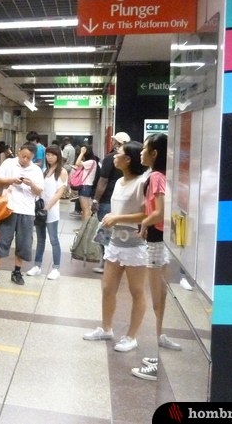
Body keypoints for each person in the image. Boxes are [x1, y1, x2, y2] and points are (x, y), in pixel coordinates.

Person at [82, 141, 148, 353]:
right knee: (108, 287)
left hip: (135, 243)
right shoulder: (119, 181)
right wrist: (112, 218)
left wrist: (117, 218)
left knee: (136, 291)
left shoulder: (142, 183)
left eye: (118, 153)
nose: (114, 156)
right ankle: (106, 328)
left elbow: (146, 215)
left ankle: (132, 336)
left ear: (128, 159)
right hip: (115, 241)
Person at [131, 134, 181, 381]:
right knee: (159, 298)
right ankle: (158, 345)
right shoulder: (161, 176)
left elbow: (159, 213)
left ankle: (156, 360)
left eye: (145, 148)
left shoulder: (155, 177)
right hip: (162, 238)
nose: (141, 152)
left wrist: (144, 224)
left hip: (157, 240)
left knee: (156, 299)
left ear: (155, 154)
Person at [0, 142, 44, 285]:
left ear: (33, 157)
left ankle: (17, 272)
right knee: (2, 240)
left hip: (27, 211)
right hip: (8, 208)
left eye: (28, 158)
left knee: (24, 243)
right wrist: (12, 180)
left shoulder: (36, 170)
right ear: (18, 151)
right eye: (23, 156)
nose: (24, 159)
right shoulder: (9, 163)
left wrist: (31, 184)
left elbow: (39, 191)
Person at [90, 132, 130, 273]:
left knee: (105, 232)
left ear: (116, 143)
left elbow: (103, 180)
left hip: (107, 199)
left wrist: (96, 200)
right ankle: (120, 262)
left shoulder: (110, 158)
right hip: (125, 202)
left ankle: (106, 263)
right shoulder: (132, 159)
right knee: (121, 232)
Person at [27, 146, 68, 280]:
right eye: (48, 155)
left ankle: (56, 268)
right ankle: (37, 266)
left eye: (52, 155)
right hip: (41, 208)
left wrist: (48, 207)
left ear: (58, 156)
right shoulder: (44, 171)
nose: (49, 157)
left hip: (52, 210)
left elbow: (59, 193)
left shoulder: (62, 172)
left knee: (54, 239)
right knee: (40, 239)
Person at [74, 145, 100, 222]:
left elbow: (77, 163)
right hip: (86, 187)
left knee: (86, 209)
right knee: (84, 209)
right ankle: (83, 226)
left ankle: (86, 227)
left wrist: (81, 153)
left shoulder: (91, 162)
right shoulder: (92, 162)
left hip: (85, 187)